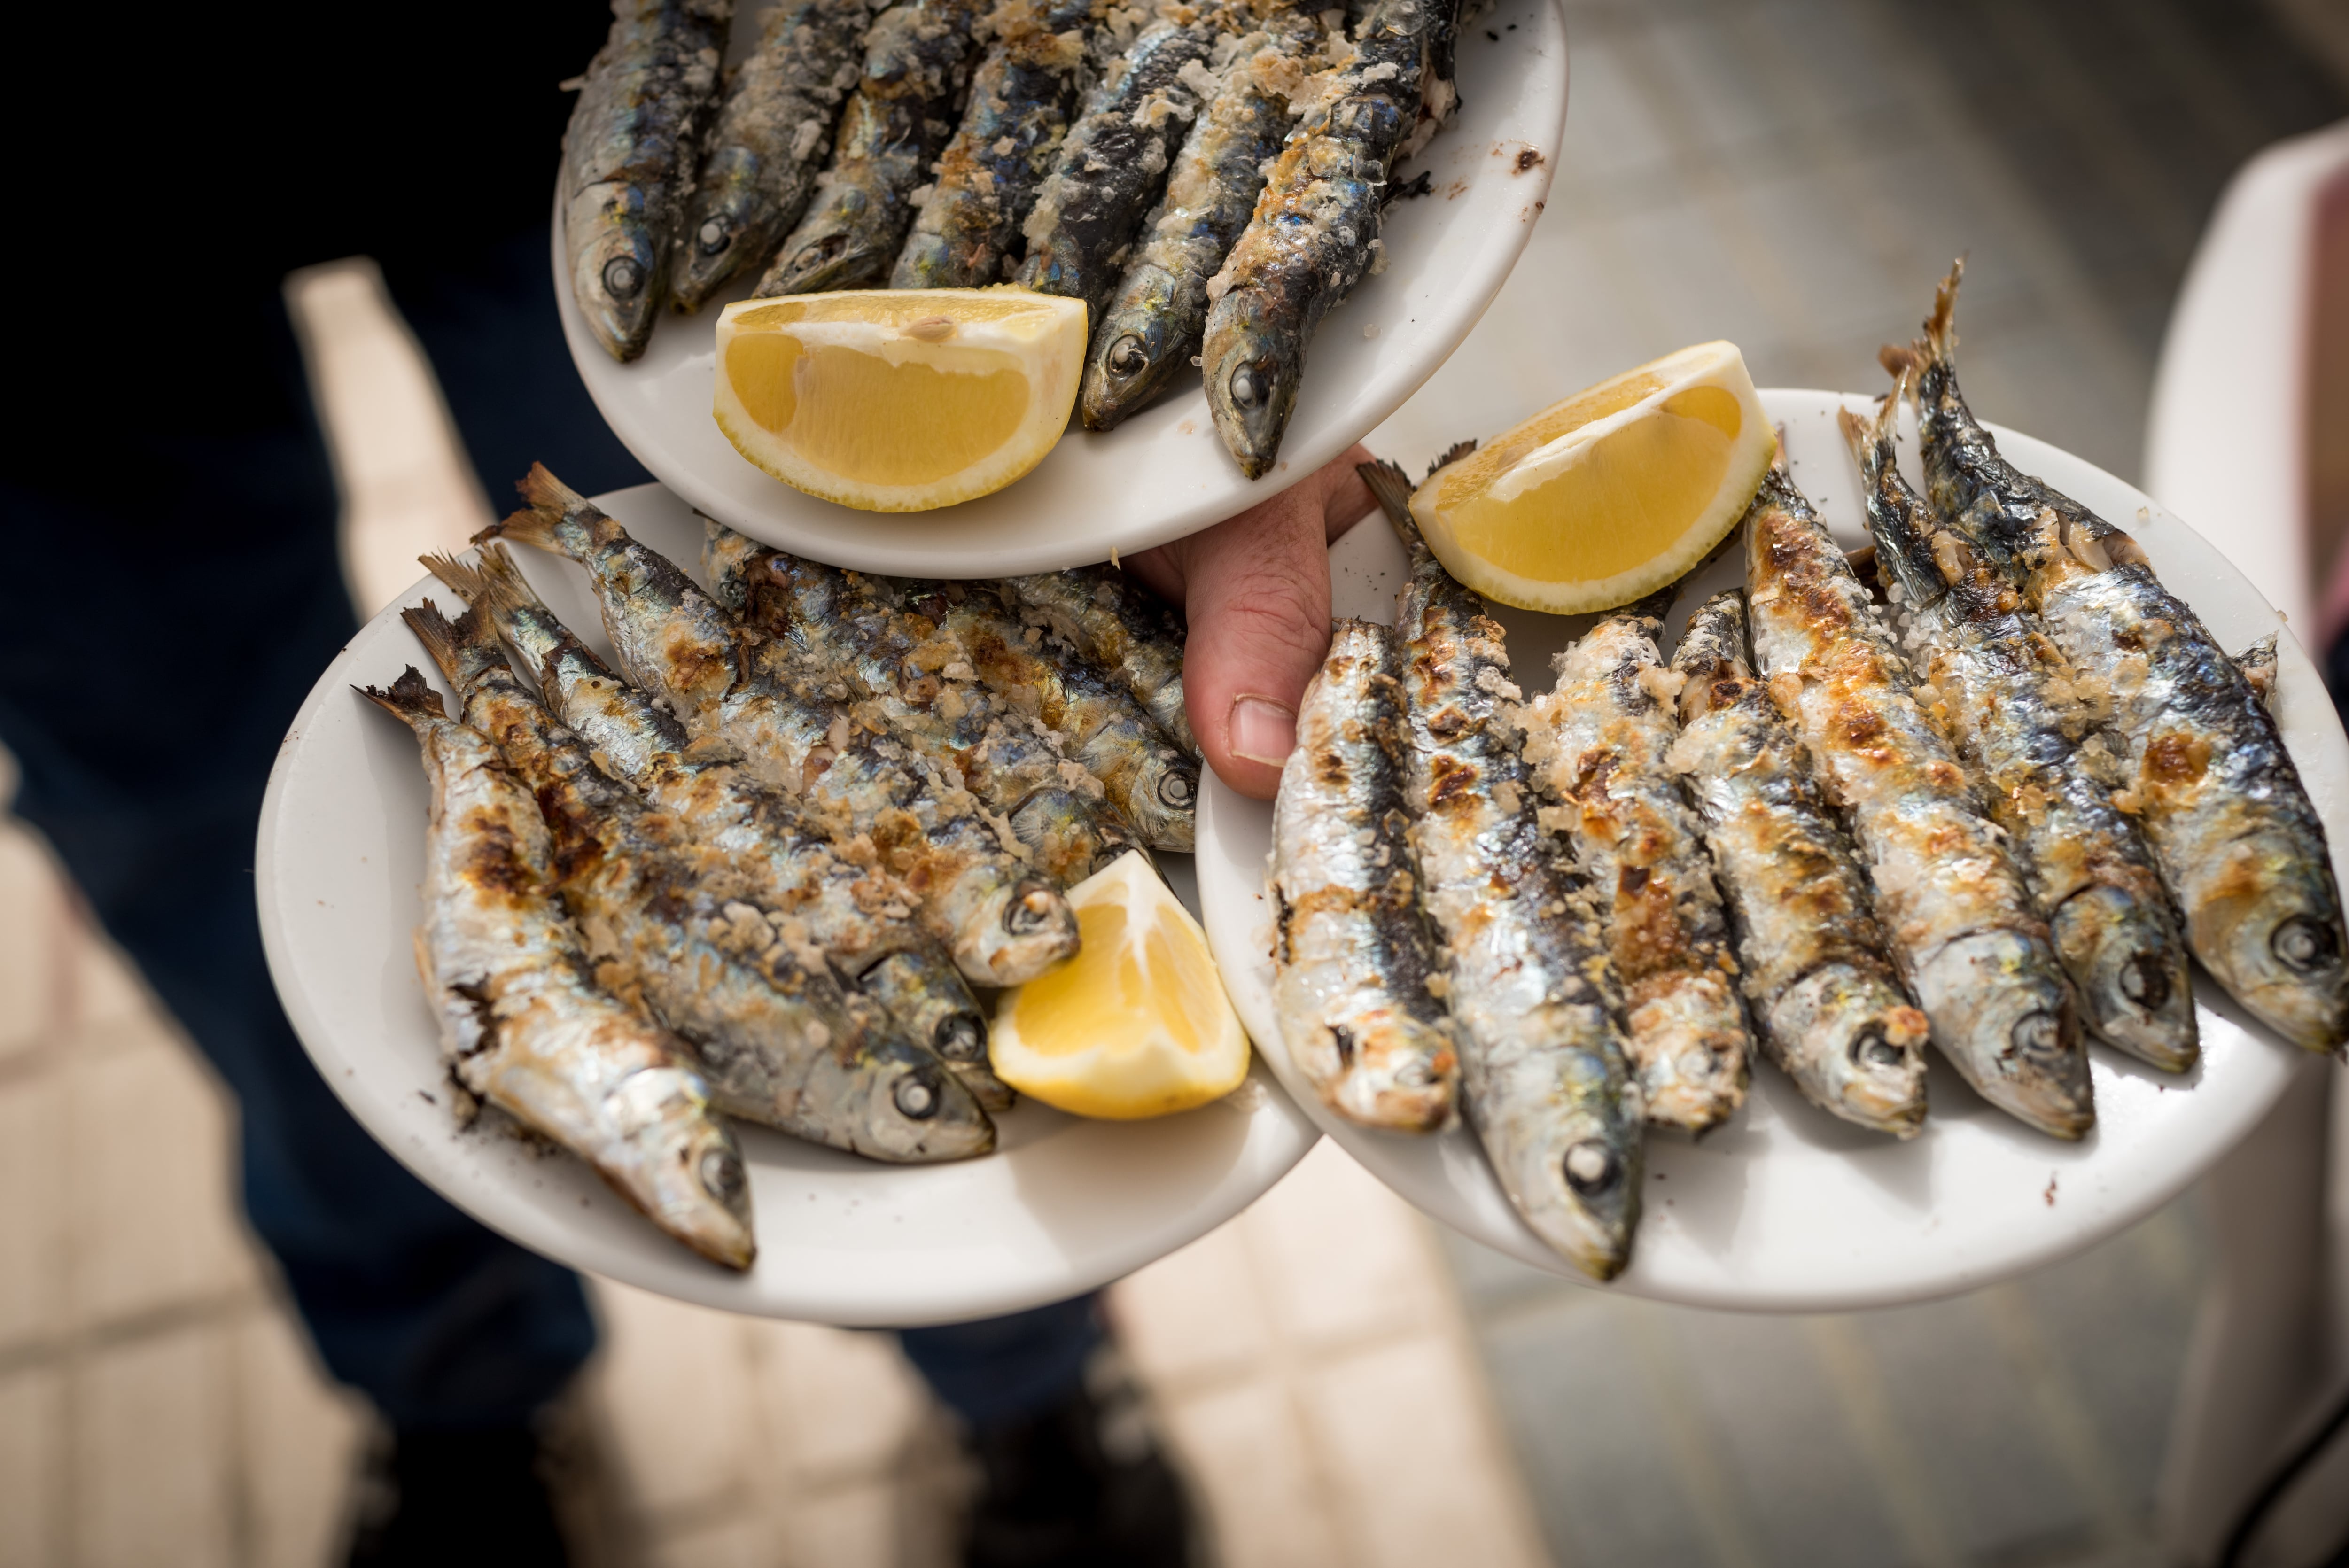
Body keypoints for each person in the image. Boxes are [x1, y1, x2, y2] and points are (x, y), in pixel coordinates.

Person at [1, 9, 1375, 1565]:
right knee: (198, 831)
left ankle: (1018, 1365)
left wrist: (1208, 385)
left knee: (835, 575)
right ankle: (451, 1395)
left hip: (572, 70)